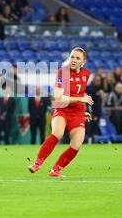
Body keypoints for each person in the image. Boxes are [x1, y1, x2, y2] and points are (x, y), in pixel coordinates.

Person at [28, 47, 93, 177]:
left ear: (83, 62)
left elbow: (78, 93)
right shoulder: (62, 73)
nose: (73, 60)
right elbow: (58, 97)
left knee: (77, 144)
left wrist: (81, 111)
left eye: (77, 58)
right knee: (57, 132)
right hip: (61, 108)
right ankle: (37, 164)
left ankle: (55, 169)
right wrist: (81, 99)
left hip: (77, 111)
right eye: (72, 57)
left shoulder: (86, 74)